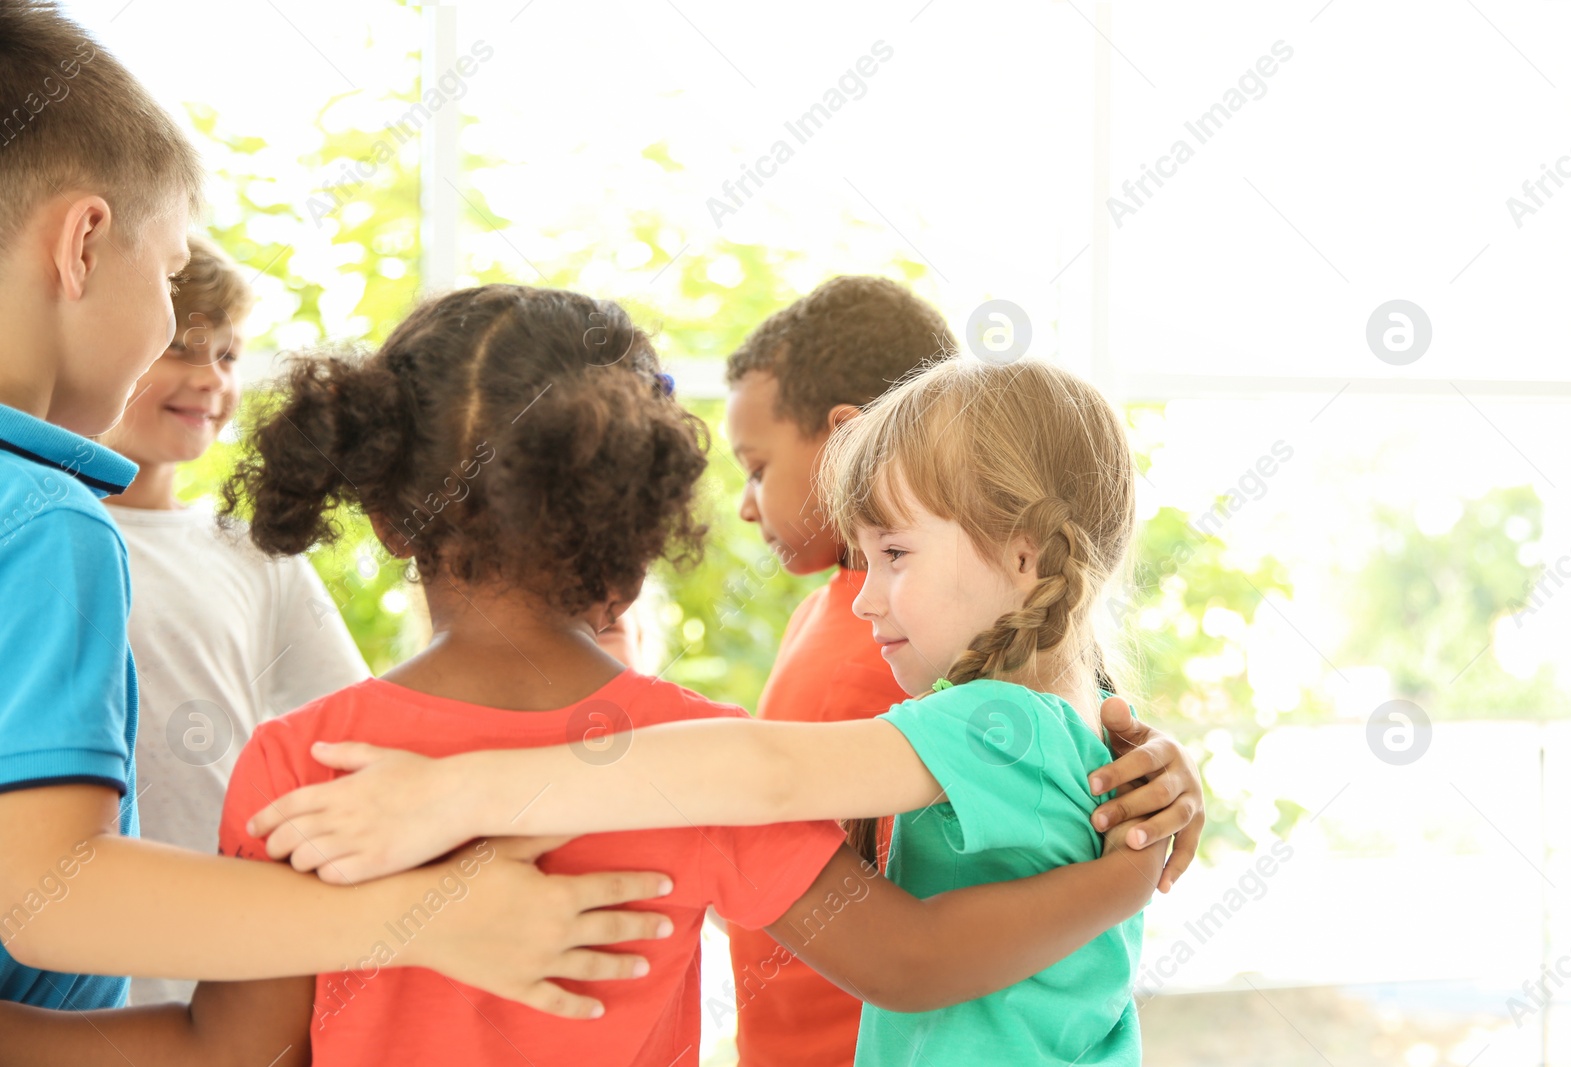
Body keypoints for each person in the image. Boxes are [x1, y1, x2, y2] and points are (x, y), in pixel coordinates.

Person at [96, 283, 1160, 1066]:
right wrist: (1129, 864)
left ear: (382, 508)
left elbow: (223, 1048)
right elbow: (901, 955)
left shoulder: (307, 761)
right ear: (637, 511)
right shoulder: (696, 762)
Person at [0, 0, 671, 1044]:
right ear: (83, 243)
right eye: (174, 275)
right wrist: (418, 919)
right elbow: (48, 890)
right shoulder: (47, 518)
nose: (179, 327)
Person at [719, 275, 1204, 1064]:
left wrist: (648, 776)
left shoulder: (946, 678)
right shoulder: (994, 668)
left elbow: (775, 789)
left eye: (754, 464)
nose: (745, 502)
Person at [95, 234, 371, 1005]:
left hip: (223, 973)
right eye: (184, 350)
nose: (211, 380)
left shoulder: (258, 553)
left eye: (229, 355)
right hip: (67, 969)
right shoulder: (41, 536)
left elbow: (353, 733)